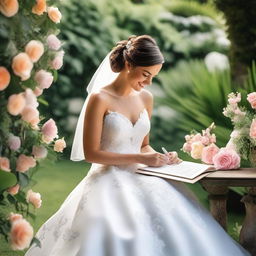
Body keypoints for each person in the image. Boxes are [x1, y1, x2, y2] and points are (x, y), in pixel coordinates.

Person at [25, 35, 250, 256]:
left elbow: (144, 145)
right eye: (145, 74)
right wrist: (142, 158)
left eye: (153, 76)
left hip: (143, 172)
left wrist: (162, 158)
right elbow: (92, 153)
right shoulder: (99, 98)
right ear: (129, 64)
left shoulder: (146, 98)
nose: (148, 82)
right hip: (108, 176)